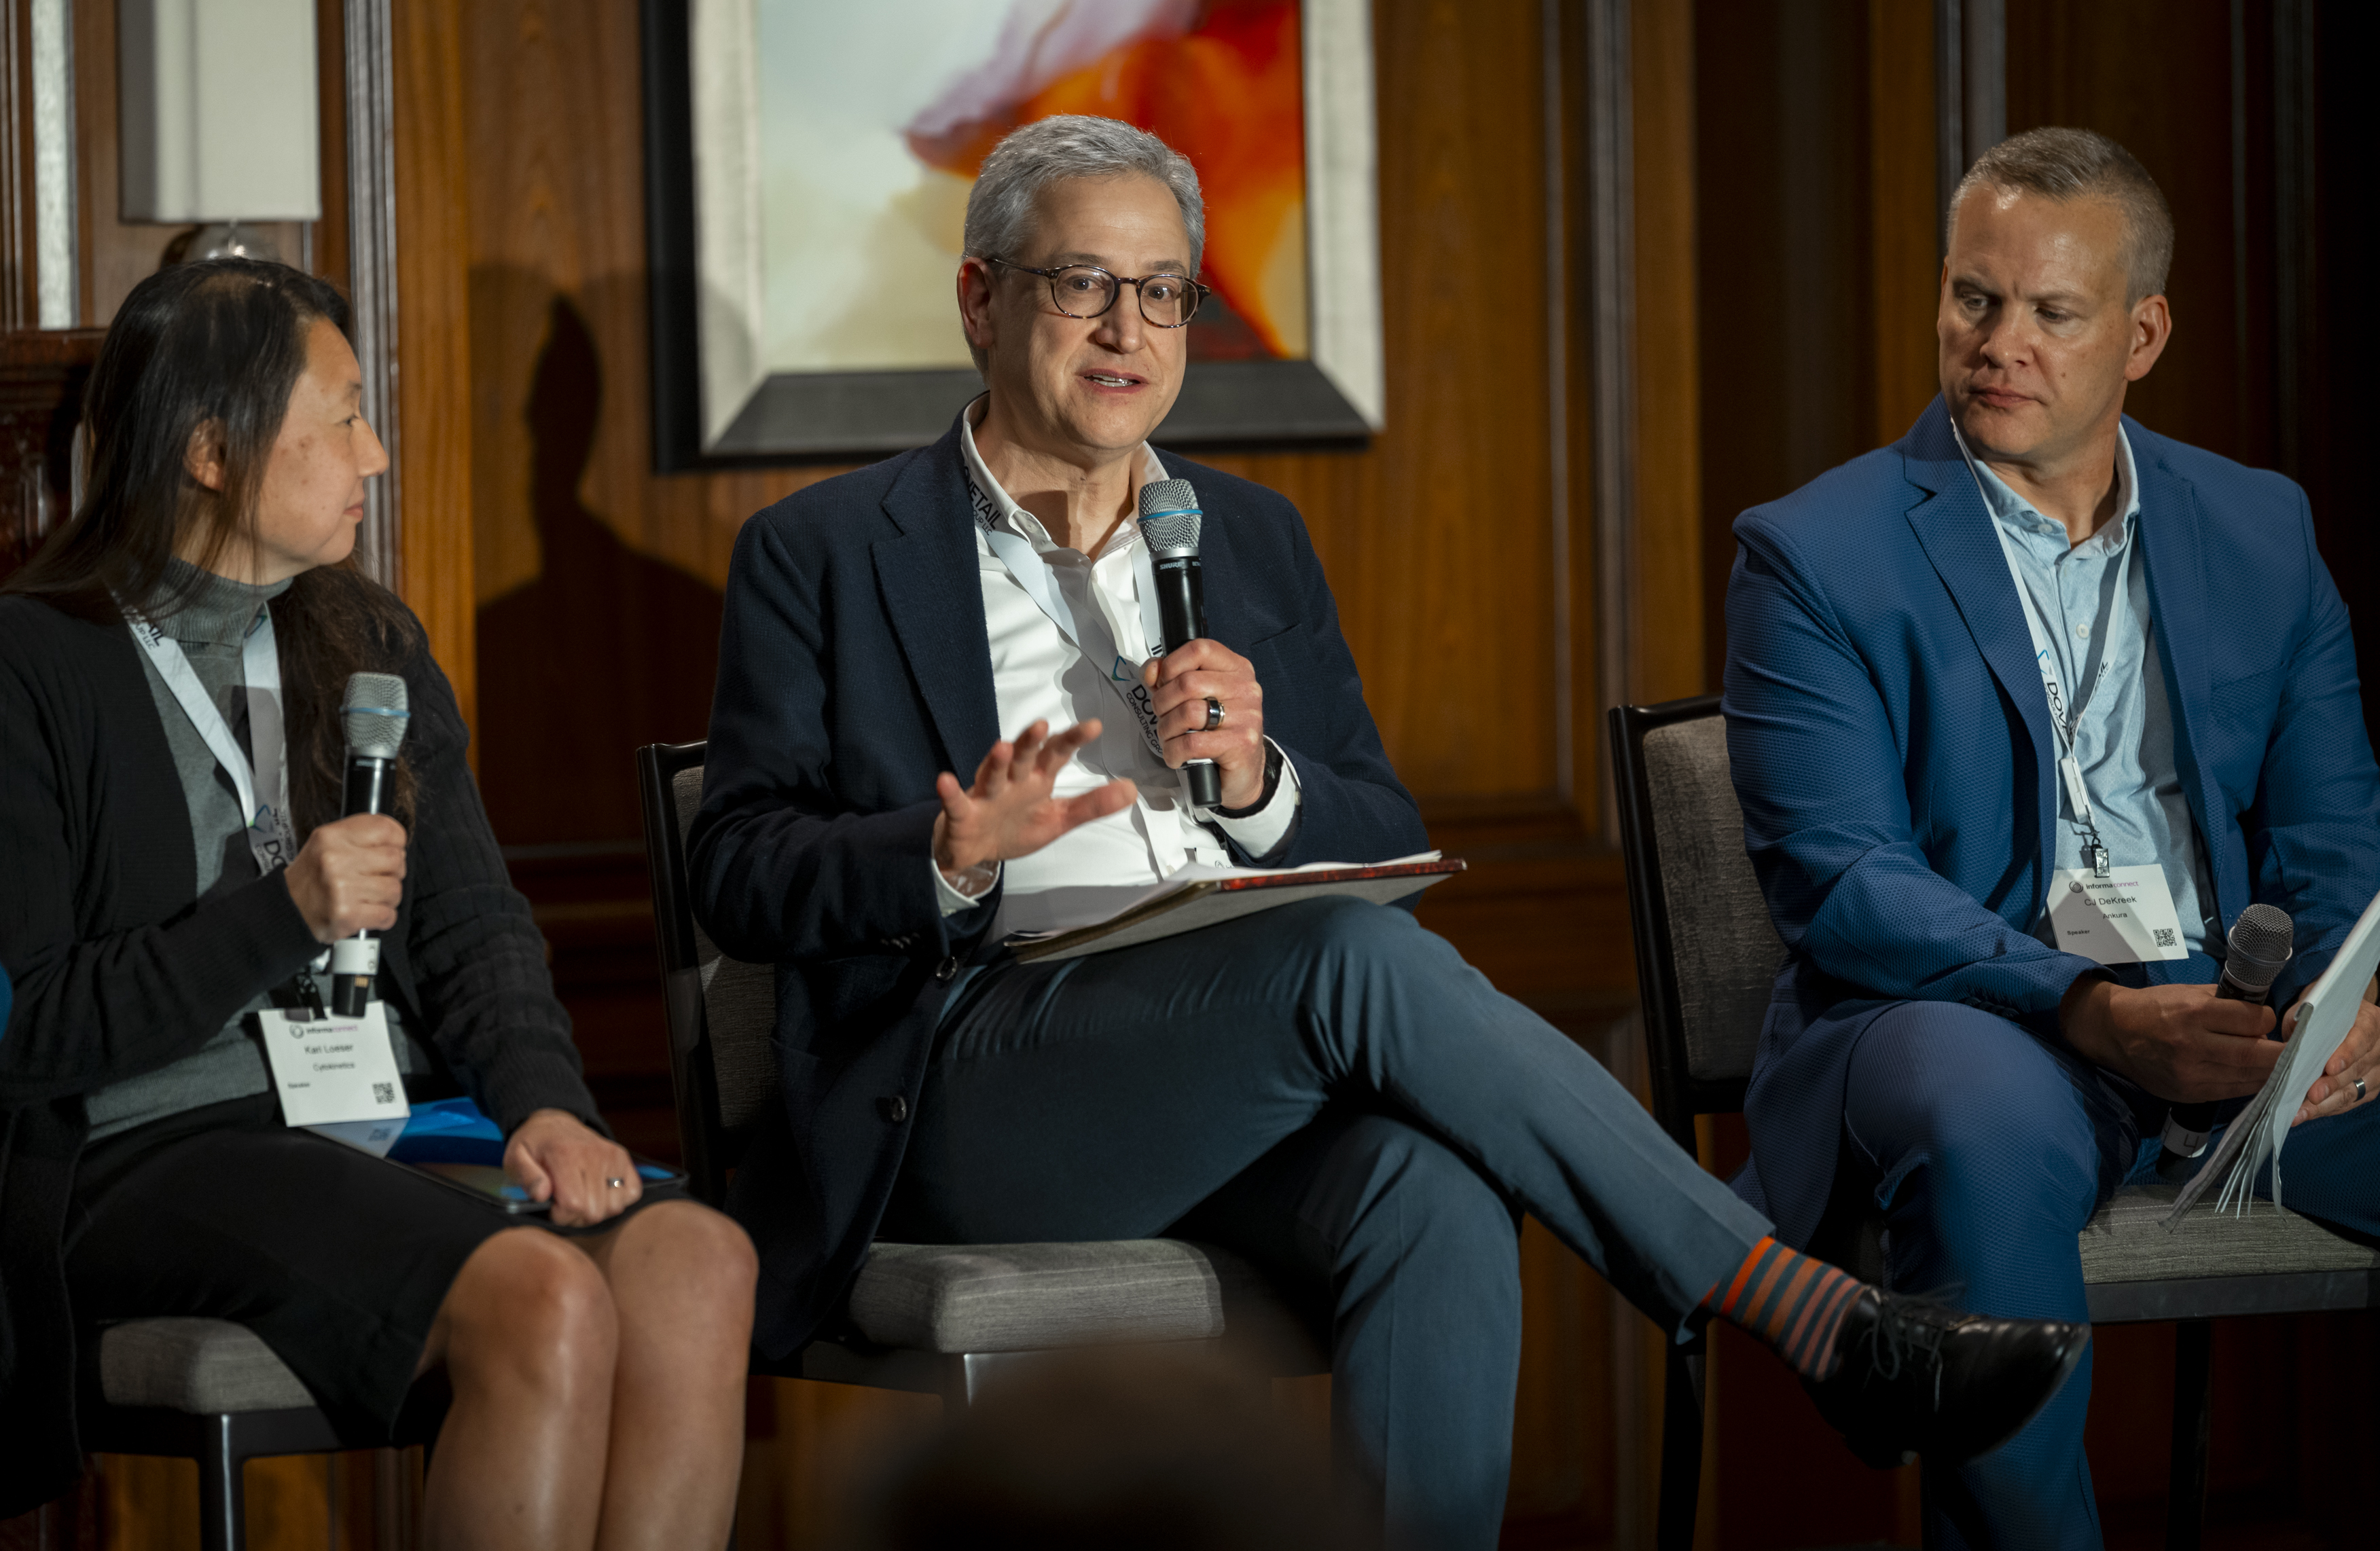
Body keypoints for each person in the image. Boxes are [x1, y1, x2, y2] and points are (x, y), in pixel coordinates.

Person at [692, 114, 2088, 1550]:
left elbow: (1380, 831)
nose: (1129, 327)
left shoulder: (1244, 536)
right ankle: (1809, 1314)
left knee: (1434, 1194)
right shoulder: (828, 551)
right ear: (984, 298)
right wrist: (949, 854)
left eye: (1165, 289)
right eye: (1079, 284)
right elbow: (734, 865)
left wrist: (1256, 785)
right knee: (1337, 959)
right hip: (973, 1083)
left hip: (1225, 1071)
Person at [0, 259, 758, 1550]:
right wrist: (282, 914)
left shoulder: (366, 636)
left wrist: (547, 1105)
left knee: (699, 1264)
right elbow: (30, 1028)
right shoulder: (35, 658)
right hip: (137, 1148)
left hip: (367, 1118)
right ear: (209, 450)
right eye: (344, 415)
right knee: (541, 1299)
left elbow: (471, 921)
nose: (381, 452)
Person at [1723, 126, 2380, 1547]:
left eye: (2052, 312)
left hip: (2234, 1016)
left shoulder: (2262, 527)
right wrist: (2090, 1007)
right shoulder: (1815, 552)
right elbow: (1843, 882)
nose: (1999, 343)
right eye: (1976, 298)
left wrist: (2344, 1005)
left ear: (2142, 333)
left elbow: (2332, 823)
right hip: (1968, 1012)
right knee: (1981, 1119)